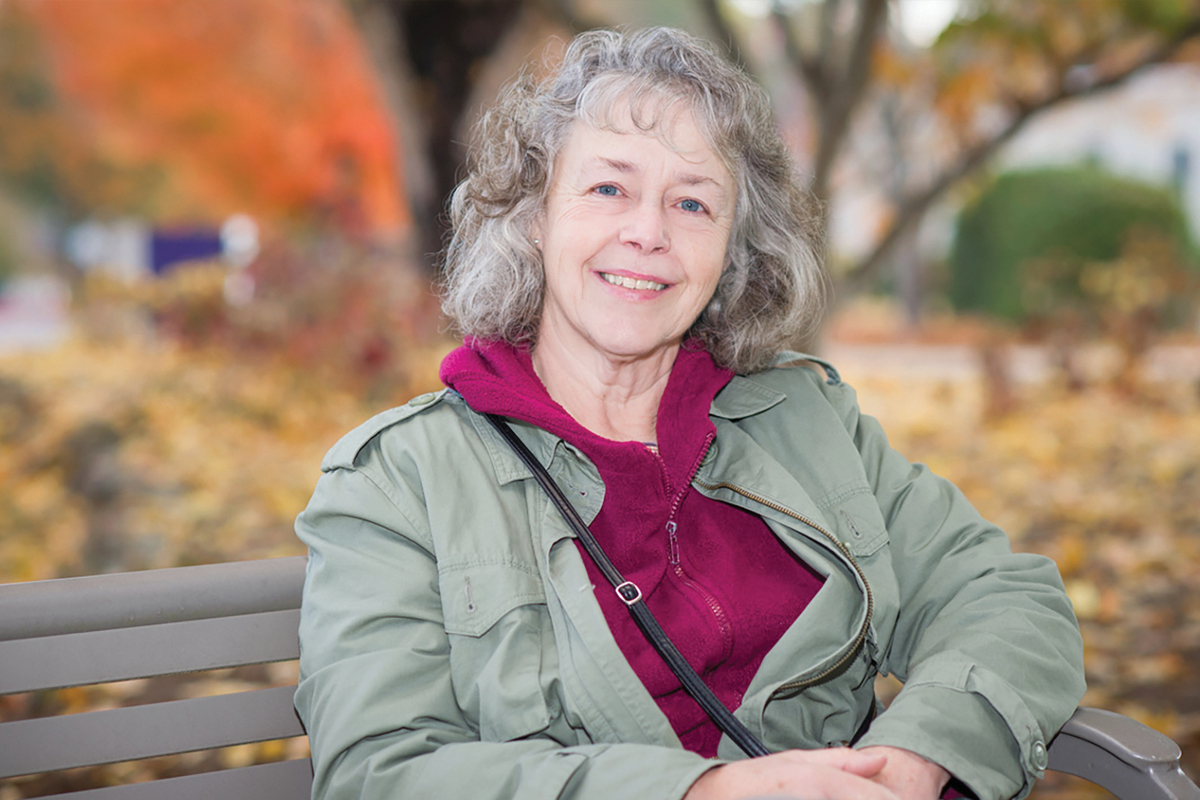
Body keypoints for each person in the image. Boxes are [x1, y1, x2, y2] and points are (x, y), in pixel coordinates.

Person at [294, 27, 1085, 800]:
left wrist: (912, 760)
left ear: (732, 250)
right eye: (609, 188)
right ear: (535, 219)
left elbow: (1004, 598)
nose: (648, 233)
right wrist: (706, 789)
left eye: (693, 204)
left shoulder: (804, 418)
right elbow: (381, 772)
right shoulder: (399, 482)